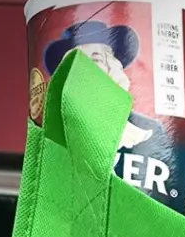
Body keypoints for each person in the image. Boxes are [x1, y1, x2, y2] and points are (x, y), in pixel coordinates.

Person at [43, 19, 158, 152]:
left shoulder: (145, 128)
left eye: (96, 60)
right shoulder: (55, 128)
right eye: (76, 61)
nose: (86, 68)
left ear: (111, 67)